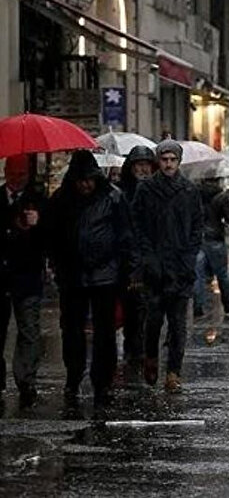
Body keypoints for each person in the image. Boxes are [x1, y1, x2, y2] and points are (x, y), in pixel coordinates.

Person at [45, 151, 134, 406]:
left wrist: (126, 270)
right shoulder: (61, 200)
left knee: (104, 332)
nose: (85, 185)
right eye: (81, 180)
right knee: (72, 330)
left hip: (105, 275)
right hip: (72, 276)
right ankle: (74, 375)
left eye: (89, 180)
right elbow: (51, 235)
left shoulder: (113, 198)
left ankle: (102, 380)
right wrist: (57, 263)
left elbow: (125, 236)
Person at [131, 140, 203, 393]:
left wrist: (189, 257)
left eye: (173, 159)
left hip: (181, 268)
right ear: (158, 161)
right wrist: (147, 258)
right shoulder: (146, 190)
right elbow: (137, 224)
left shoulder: (189, 190)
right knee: (153, 320)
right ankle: (151, 356)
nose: (169, 164)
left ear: (179, 161)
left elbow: (197, 226)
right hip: (155, 268)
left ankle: (174, 372)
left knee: (178, 324)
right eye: (164, 159)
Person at [0, 155, 45, 408]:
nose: (17, 179)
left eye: (22, 174)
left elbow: (48, 236)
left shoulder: (36, 201)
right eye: (13, 173)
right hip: (2, 277)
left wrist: (36, 226)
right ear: (6, 172)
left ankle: (26, 379)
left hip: (27, 277)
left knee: (29, 330)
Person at [115, 146, 156, 380]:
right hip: (124, 259)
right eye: (138, 164)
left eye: (146, 165)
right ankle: (133, 347)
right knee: (130, 307)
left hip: (149, 258)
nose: (142, 169)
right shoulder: (120, 192)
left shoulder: (156, 192)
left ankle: (139, 349)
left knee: (144, 307)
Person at [194, 177, 229, 318]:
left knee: (198, 275)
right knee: (222, 274)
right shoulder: (221, 196)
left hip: (198, 238)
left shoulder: (194, 194)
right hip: (215, 239)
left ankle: (197, 305)